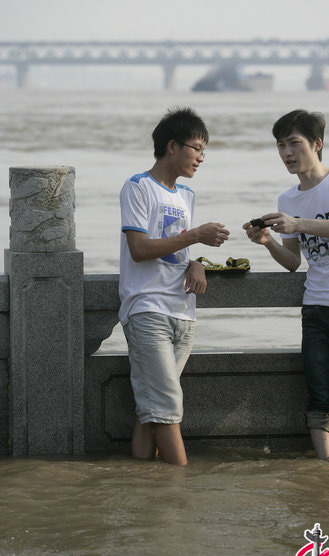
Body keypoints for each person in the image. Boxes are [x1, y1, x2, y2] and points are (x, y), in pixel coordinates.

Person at [243, 109, 329, 463]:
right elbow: (293, 262)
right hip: (317, 309)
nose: (287, 153)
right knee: (320, 400)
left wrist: (298, 223)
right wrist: (267, 242)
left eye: (294, 143)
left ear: (317, 144)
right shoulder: (288, 199)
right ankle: (322, 474)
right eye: (280, 145)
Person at [119, 107, 229, 465]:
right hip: (148, 309)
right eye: (196, 148)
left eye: (202, 150)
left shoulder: (186, 196)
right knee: (167, 408)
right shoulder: (138, 187)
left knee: (151, 411)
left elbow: (175, 246)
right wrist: (196, 236)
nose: (200, 157)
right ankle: (180, 492)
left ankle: (146, 488)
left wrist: (196, 261)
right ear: (172, 146)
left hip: (183, 313)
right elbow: (139, 250)